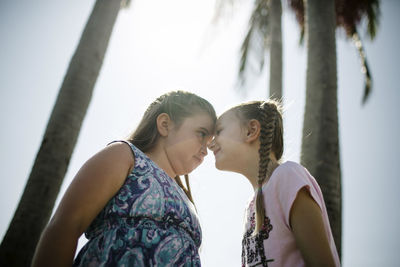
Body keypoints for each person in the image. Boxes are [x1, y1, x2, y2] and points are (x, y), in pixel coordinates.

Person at [32, 91, 216, 266]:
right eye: (201, 133)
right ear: (165, 125)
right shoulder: (124, 155)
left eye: (209, 144)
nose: (205, 150)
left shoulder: (186, 199)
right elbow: (66, 225)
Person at [208, 100, 340, 267]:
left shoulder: (288, 176)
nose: (210, 144)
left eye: (218, 132)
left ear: (251, 130)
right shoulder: (250, 207)